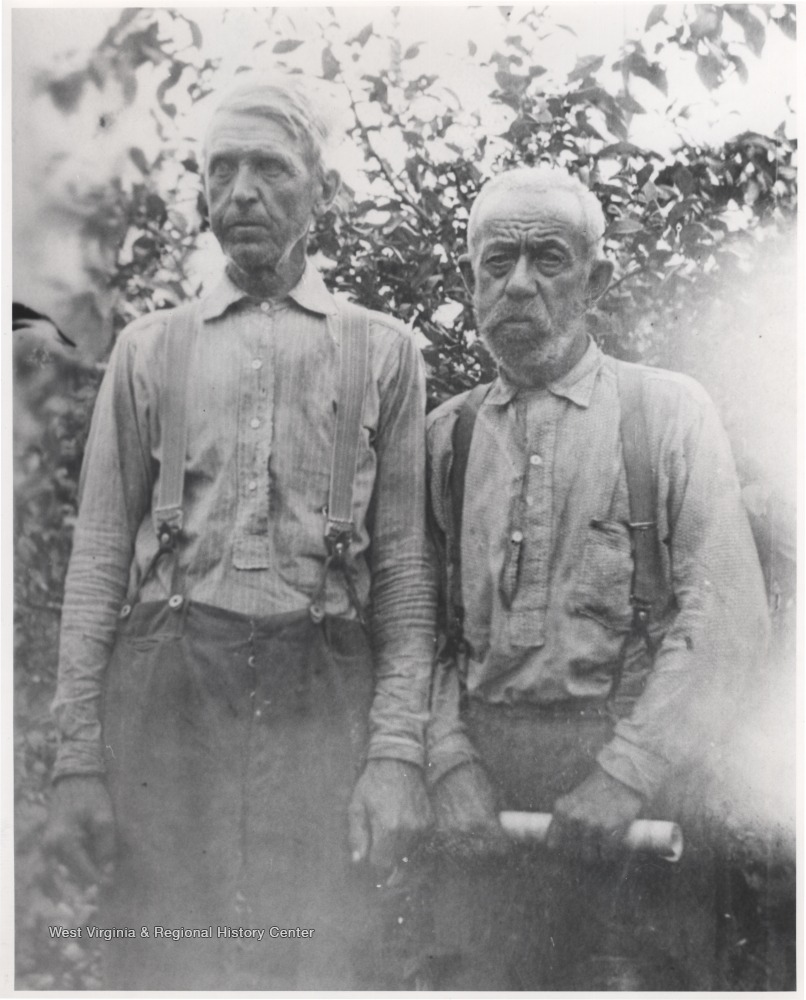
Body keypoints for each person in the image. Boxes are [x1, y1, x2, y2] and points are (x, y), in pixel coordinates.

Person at [43, 74, 436, 990]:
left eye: (271, 167)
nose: (244, 191)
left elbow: (409, 580)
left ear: (320, 193)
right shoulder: (149, 348)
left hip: (322, 699)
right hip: (167, 701)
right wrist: (77, 765)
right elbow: (99, 565)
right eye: (223, 170)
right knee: (159, 962)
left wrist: (393, 755)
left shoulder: (385, 352)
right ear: (202, 195)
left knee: (319, 961)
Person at [424, 165, 769, 990]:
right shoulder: (448, 436)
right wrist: (446, 761)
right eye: (495, 263)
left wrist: (624, 774)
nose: (518, 285)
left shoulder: (667, 414)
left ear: (596, 278)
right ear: (470, 281)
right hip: (485, 786)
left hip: (640, 789)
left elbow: (726, 622)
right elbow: (417, 626)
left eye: (548, 258)